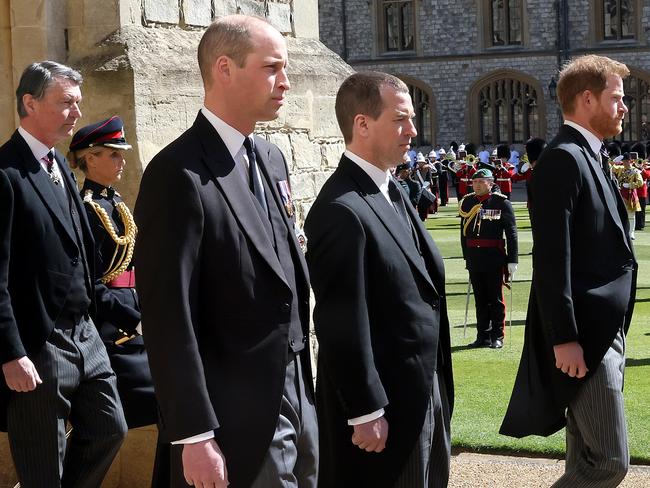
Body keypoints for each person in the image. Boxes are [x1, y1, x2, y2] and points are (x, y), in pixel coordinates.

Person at [133, 15, 318, 488]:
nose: (287, 83)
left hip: (296, 389)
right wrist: (193, 433)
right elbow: (167, 314)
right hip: (231, 411)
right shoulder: (178, 173)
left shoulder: (271, 158)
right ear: (224, 68)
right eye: (272, 67)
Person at [305, 71, 454, 488]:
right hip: (386, 405)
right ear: (363, 124)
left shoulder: (392, 191)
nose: (413, 130)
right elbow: (341, 319)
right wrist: (366, 410)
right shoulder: (341, 209)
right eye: (401, 119)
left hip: (423, 388)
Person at [501, 55, 637, 487]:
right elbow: (552, 259)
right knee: (610, 462)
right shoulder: (563, 159)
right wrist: (565, 338)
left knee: (585, 456)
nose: (624, 107)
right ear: (586, 98)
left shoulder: (588, 155)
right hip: (584, 337)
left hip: (602, 329)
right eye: (616, 98)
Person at [0, 61, 127, 486]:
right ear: (30, 103)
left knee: (111, 428)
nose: (76, 113)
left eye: (78, 103)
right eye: (66, 103)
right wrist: (11, 352)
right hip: (39, 342)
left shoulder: (57, 165)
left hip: (84, 332)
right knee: (41, 468)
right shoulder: (6, 174)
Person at [459, 169, 518, 349]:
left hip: (494, 257)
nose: (476, 185)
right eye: (474, 182)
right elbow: (463, 232)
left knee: (495, 299)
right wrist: (466, 255)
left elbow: (511, 232)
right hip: (475, 258)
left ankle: (497, 336)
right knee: (480, 299)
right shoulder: (468, 202)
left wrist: (512, 259)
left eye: (481, 182)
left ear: (490, 183)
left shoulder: (501, 203)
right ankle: (482, 336)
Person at [611, 152, 643, 240]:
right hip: (621, 194)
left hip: (630, 194)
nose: (625, 163)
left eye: (627, 161)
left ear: (630, 161)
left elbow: (640, 182)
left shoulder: (635, 171)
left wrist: (630, 185)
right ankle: (623, 231)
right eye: (624, 161)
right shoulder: (621, 168)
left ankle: (631, 233)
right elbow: (610, 168)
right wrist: (614, 161)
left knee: (631, 215)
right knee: (621, 213)